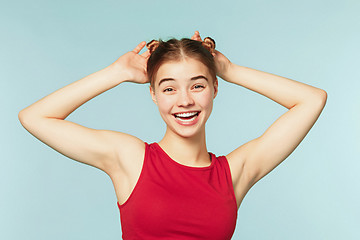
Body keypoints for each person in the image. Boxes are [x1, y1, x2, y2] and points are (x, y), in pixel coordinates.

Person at [18, 31, 327, 239]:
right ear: (153, 94)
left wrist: (230, 69)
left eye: (198, 85)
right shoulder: (130, 158)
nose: (184, 101)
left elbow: (312, 99)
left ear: (214, 88)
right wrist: (117, 73)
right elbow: (34, 117)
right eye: (168, 88)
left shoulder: (234, 173)